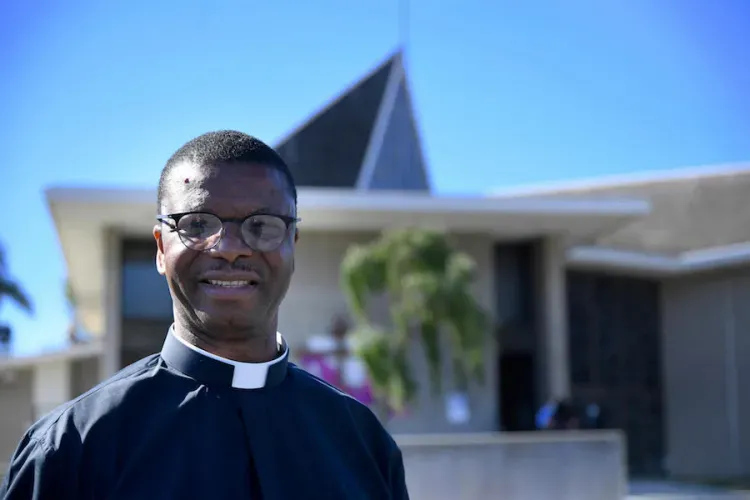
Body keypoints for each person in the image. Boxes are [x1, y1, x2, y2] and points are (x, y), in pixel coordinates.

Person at [0, 131, 409, 499]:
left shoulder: (362, 443)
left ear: (292, 245)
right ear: (161, 248)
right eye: (197, 224)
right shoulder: (72, 448)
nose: (229, 247)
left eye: (262, 225)